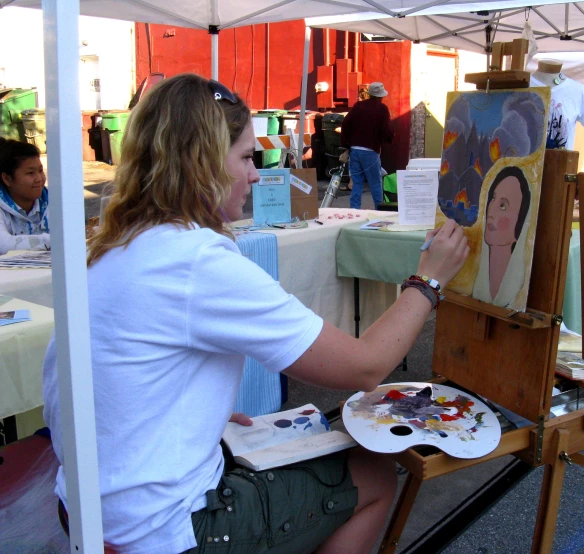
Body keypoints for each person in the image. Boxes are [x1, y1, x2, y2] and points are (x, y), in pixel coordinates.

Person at [42, 74, 469, 554]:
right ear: (200, 161)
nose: (254, 174)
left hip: (91, 511)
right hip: (164, 531)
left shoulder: (117, 243)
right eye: (246, 157)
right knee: (372, 472)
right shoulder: (195, 258)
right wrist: (428, 281)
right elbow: (364, 366)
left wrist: (206, 420)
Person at [472, 166, 531, 305]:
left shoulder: (518, 293)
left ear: (521, 221)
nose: (491, 211)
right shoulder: (473, 282)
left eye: (503, 206)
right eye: (492, 198)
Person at [339, 82, 394, 209]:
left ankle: (354, 210)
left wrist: (346, 145)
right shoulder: (382, 109)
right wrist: (389, 138)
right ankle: (380, 210)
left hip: (355, 150)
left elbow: (345, 124)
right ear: (381, 96)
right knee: (375, 183)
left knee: (357, 182)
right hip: (371, 151)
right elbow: (386, 130)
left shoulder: (358, 106)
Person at [0, 138, 50, 255]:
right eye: (30, 173)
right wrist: (55, 240)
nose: (39, 179)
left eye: (40, 170)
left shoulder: (55, 201)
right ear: (7, 179)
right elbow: (3, 244)